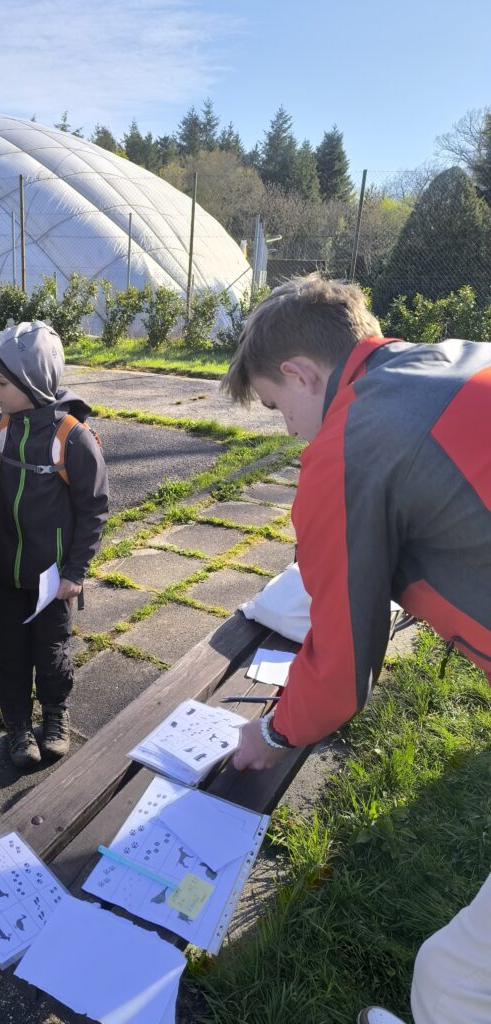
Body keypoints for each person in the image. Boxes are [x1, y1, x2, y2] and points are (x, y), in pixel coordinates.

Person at [222, 275, 491, 1024]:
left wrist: (274, 732)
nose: (290, 432)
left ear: (303, 374)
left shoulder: (351, 442)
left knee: (457, 979)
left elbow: (340, 667)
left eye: (279, 408)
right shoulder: (456, 357)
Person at [0, 320, 109, 769]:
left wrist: (75, 572)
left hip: (53, 580)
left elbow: (94, 510)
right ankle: (18, 724)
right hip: (6, 572)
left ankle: (55, 714)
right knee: (9, 652)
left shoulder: (73, 438)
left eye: (1, 382)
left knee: (52, 651)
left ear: (32, 383)